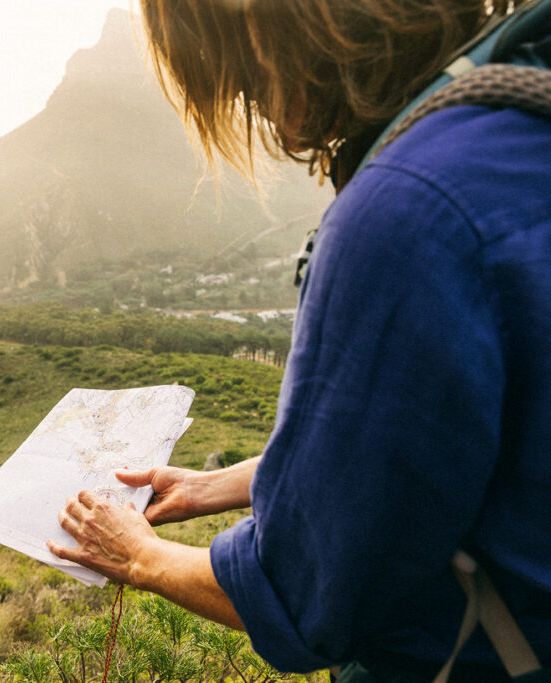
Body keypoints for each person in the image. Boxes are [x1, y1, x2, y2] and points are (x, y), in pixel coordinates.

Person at [49, 1, 551, 681]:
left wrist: (141, 554)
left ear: (264, 29)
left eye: (237, 78)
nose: (253, 108)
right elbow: (454, 443)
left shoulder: (405, 209)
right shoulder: (516, 114)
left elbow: (303, 596)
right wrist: (217, 484)